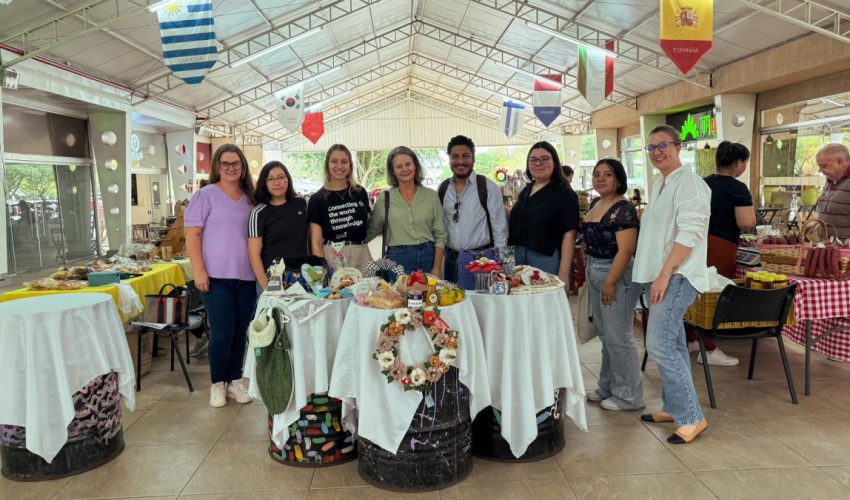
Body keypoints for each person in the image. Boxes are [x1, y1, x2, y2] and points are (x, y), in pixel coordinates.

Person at [633, 125, 710, 444]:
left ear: (678, 147)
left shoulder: (689, 183)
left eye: (663, 145)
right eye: (651, 148)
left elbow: (688, 233)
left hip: (677, 275)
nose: (657, 152)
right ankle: (674, 407)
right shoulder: (663, 182)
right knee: (674, 343)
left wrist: (665, 274)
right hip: (662, 275)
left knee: (659, 345)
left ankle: (692, 417)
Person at [184, 144, 256, 408]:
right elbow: (192, 235)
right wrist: (199, 271)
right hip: (215, 278)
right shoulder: (205, 196)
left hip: (246, 277)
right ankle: (217, 383)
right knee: (222, 333)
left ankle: (234, 381)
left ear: (243, 166)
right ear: (216, 166)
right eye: (225, 164)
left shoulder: (251, 197)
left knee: (240, 332)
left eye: (235, 163)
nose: (230, 168)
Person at [581, 159, 644, 411]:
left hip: (615, 274)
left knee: (619, 337)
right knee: (607, 335)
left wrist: (610, 282)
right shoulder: (598, 203)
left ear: (619, 178)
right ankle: (608, 386)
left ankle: (629, 396)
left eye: (607, 174)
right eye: (597, 174)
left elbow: (626, 250)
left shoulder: (623, 209)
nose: (600, 179)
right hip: (595, 270)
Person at [688, 141, 757, 366]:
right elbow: (746, 222)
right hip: (721, 245)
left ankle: (691, 340)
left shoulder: (701, 183)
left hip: (693, 244)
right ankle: (709, 349)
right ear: (738, 163)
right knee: (714, 295)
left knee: (693, 293)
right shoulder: (737, 188)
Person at [438, 135, 508, 288]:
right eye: (455, 156)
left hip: (481, 260)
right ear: (449, 159)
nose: (460, 161)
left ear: (473, 158)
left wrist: (499, 264)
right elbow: (440, 228)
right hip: (450, 261)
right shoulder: (443, 188)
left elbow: (499, 230)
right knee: (453, 307)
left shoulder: (487, 187)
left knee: (480, 308)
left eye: (466, 156)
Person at [367, 146, 447, 277]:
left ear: (415, 166)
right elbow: (371, 231)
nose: (404, 169)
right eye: (399, 166)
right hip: (397, 259)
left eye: (408, 164)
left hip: (428, 256)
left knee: (428, 297)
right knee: (398, 297)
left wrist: (437, 267)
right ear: (393, 171)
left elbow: (440, 234)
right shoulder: (384, 198)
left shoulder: (431, 196)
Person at [508, 141, 579, 284]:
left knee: (542, 302)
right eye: (533, 159)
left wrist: (564, 273)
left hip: (545, 258)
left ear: (555, 161)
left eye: (544, 158)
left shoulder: (563, 192)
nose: (538, 163)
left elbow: (569, 234)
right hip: (519, 255)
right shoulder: (527, 190)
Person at [308, 144, 372, 270]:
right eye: (334, 161)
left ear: (350, 165)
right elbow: (316, 241)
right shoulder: (317, 199)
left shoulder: (360, 192)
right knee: (336, 290)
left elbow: (368, 224)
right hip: (332, 257)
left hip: (361, 255)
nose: (339, 166)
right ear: (327, 165)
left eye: (344, 161)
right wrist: (323, 270)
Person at [248, 161, 310, 291]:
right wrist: (266, 287)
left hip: (303, 278)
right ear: (264, 183)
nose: (277, 182)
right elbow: (254, 254)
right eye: (271, 179)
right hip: (273, 280)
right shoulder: (258, 212)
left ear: (288, 179)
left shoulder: (301, 204)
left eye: (281, 177)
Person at [814, 143, 850, 239]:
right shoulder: (831, 180)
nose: (820, 170)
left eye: (824, 166)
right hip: (826, 247)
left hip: (845, 251)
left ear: (840, 162)